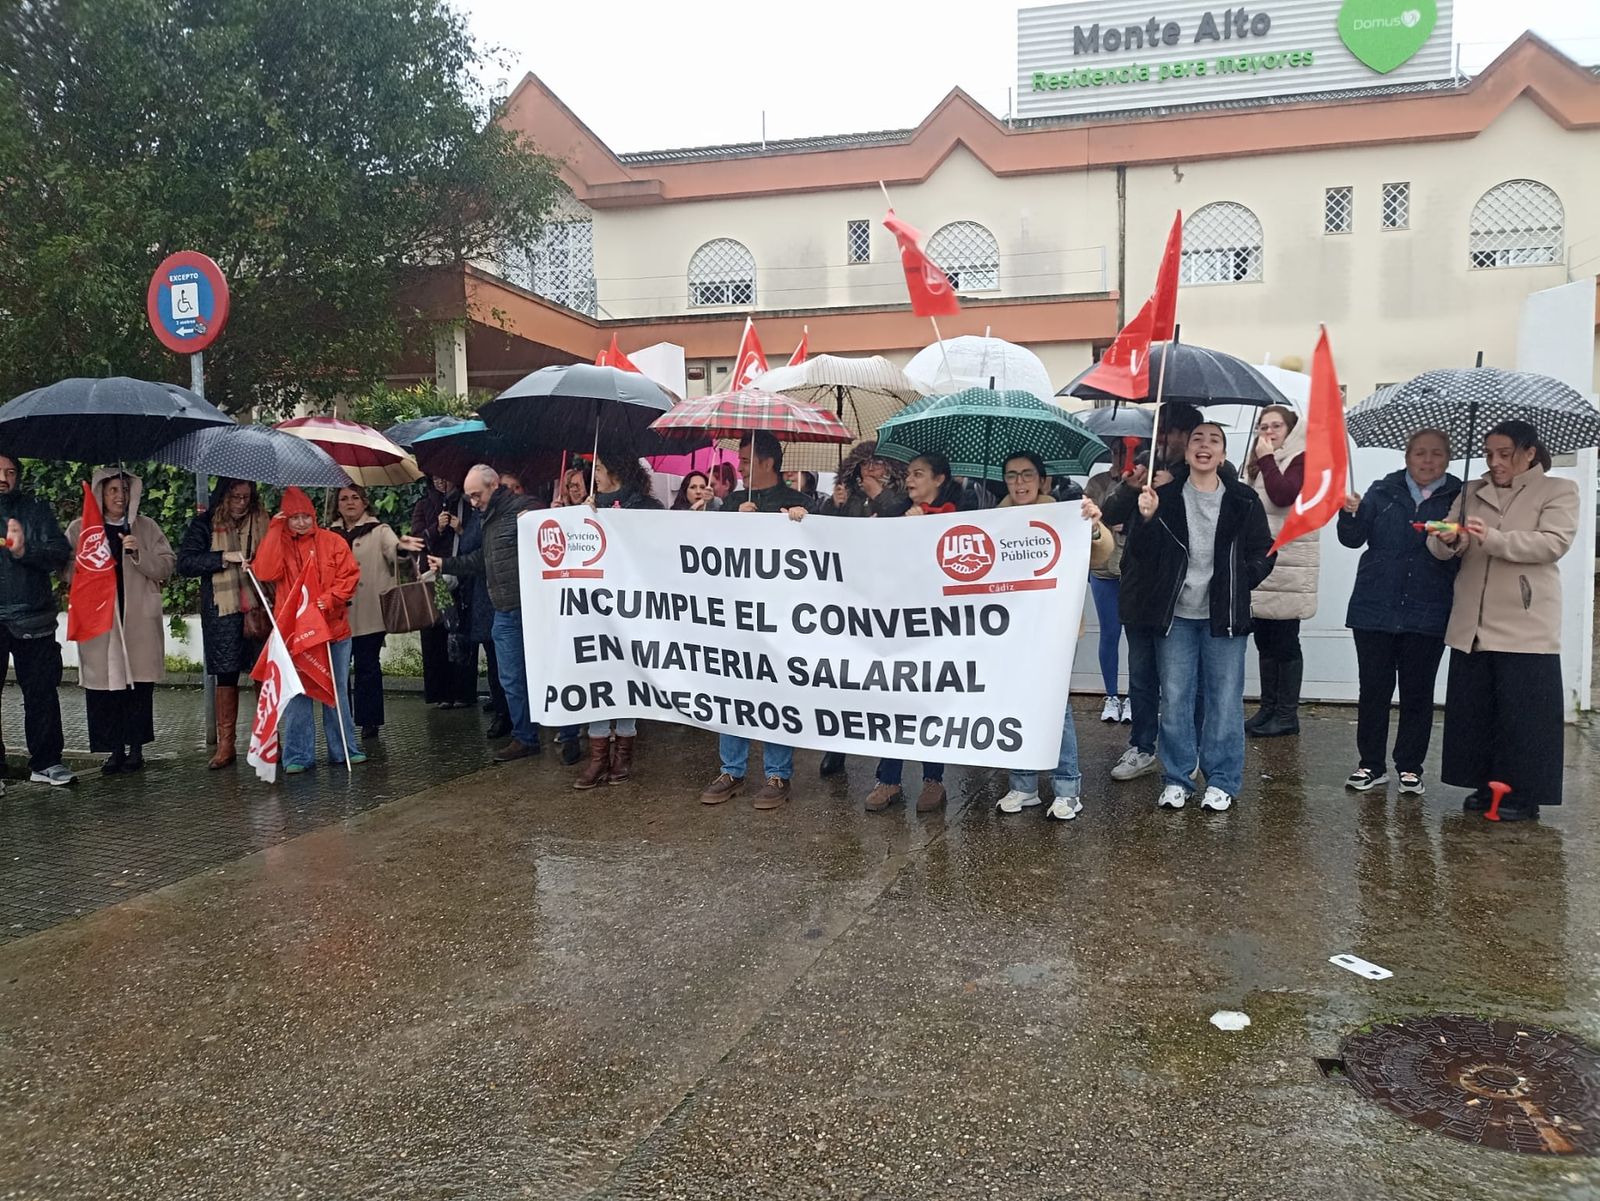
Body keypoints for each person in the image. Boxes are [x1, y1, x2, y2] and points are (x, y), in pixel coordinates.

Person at [1429, 420, 1577, 821]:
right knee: (1477, 710)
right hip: (1472, 618)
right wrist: (1448, 539)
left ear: (1529, 453)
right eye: (1489, 453)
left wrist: (1492, 537)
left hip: (1523, 620)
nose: (1495, 462)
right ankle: (1482, 784)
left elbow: (1553, 542)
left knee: (1522, 714)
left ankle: (1521, 793)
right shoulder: (1471, 491)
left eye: (1505, 454)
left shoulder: (1559, 490)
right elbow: (1448, 542)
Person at [1123, 422, 1275, 812]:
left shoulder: (1243, 499)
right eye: (1197, 439)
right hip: (1176, 616)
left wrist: (1243, 580)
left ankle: (1222, 780)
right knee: (1174, 698)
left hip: (1224, 615)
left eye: (1214, 440)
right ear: (1187, 451)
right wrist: (1145, 519)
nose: (1204, 446)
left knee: (1224, 700)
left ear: (1223, 454)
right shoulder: (1164, 496)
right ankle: (1177, 778)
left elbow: (1265, 551)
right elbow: (1142, 556)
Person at [1337, 429, 1461, 795]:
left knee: (1417, 693)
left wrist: (1455, 535)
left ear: (1447, 459)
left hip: (1429, 608)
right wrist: (1350, 514)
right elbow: (1353, 539)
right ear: (1407, 456)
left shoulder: (1458, 497)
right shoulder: (1381, 490)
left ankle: (1410, 766)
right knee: (1373, 690)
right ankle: (1370, 765)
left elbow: (1465, 550)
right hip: (1374, 607)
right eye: (1420, 453)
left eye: (1436, 454)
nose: (1427, 460)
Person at [993, 452, 1114, 820]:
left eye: (1027, 475)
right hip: (1009, 633)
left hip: (1055, 630)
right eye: (1012, 475)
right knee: (1017, 706)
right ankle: (1023, 785)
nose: (1020, 482)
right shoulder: (993, 521)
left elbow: (1102, 552)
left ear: (1042, 481)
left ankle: (1067, 788)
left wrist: (1092, 525)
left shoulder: (1064, 515)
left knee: (1055, 709)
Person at [1099, 403, 1209, 787]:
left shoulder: (1205, 473)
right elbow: (1109, 512)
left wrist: (1173, 488)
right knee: (1143, 676)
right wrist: (1132, 488)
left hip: (1180, 594)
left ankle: (1188, 750)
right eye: (1161, 431)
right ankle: (1143, 746)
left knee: (1183, 681)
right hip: (1139, 588)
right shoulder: (1143, 467)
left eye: (1175, 433)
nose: (1166, 440)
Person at [699, 432, 810, 810]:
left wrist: (801, 524)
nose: (741, 467)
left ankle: (778, 774)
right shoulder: (733, 502)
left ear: (767, 462)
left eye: (746, 460)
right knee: (733, 691)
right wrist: (732, 518)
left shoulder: (799, 503)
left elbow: (821, 554)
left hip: (781, 622)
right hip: (736, 618)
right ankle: (732, 769)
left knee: (776, 694)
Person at [412, 464, 543, 762]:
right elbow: (480, 558)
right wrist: (446, 565)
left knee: (539, 672)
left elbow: (550, 534)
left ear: (494, 486)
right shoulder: (486, 517)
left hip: (532, 608)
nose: (472, 502)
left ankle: (566, 733)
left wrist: (544, 515)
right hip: (503, 609)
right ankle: (524, 737)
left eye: (476, 495)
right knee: (510, 677)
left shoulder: (526, 508)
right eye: (470, 496)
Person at [864, 452, 965, 813]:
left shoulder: (958, 515)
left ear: (939, 479)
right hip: (897, 624)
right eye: (908, 474)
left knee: (928, 702)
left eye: (919, 474)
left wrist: (926, 528)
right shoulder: (896, 512)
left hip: (937, 627)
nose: (910, 481)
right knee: (893, 701)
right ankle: (888, 779)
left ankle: (933, 779)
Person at [63, 470, 173, 774]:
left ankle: (136, 748)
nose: (119, 496)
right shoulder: (81, 529)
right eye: (112, 490)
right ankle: (113, 749)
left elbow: (166, 566)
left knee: (138, 686)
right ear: (100, 492)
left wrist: (138, 553)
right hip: (101, 618)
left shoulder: (146, 527)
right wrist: (88, 564)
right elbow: (65, 569)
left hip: (136, 616)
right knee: (106, 687)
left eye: (124, 489)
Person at [252, 487, 363, 772]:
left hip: (333, 630)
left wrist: (327, 601)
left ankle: (345, 750)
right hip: (293, 634)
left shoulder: (333, 541)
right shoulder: (280, 541)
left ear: (314, 515)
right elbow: (264, 571)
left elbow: (349, 576)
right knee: (298, 693)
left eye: (306, 516)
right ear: (285, 518)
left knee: (335, 690)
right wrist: (275, 530)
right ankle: (298, 757)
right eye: (294, 517)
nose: (301, 522)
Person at [574, 450, 665, 788]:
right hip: (594, 607)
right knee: (598, 675)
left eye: (597, 467)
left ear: (615, 469)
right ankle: (598, 757)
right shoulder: (587, 505)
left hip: (631, 607)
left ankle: (623, 753)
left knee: (625, 677)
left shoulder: (646, 506)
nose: (592, 474)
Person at [178, 477, 270, 771]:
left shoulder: (263, 521)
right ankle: (226, 744)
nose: (241, 503)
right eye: (235, 497)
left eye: (246, 497)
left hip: (260, 605)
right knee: (226, 674)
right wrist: (223, 558)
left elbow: (278, 556)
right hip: (223, 609)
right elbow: (186, 563)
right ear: (223, 496)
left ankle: (268, 739)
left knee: (263, 673)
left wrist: (260, 561)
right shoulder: (204, 524)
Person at [1243, 404, 1318, 738]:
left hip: (1290, 561)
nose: (1269, 432)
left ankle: (1287, 714)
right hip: (1265, 559)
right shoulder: (1260, 460)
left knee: (1286, 641)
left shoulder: (1301, 458)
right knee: (1265, 639)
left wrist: (1267, 459)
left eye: (1276, 426)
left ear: (1291, 430)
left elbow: (1284, 494)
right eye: (1264, 426)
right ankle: (1268, 708)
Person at [330, 486, 399, 741]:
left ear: (364, 503)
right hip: (337, 615)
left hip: (369, 613)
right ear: (337, 504)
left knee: (367, 667)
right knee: (338, 670)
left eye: (355, 498)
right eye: (344, 498)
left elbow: (396, 552)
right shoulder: (329, 534)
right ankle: (342, 719)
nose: (350, 503)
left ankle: (369, 722)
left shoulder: (380, 531)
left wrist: (403, 551)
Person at [1084, 439, 1141, 724]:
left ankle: (1133, 696)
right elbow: (1089, 518)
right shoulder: (1098, 482)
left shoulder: (1143, 480)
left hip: (1133, 570)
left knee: (1135, 637)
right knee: (1109, 633)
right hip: (1104, 570)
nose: (1122, 457)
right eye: (1117, 451)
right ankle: (1111, 695)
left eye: (1127, 451)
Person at [409, 474, 474, 708]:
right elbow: (416, 539)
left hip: (460, 577)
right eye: (435, 477)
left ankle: (463, 692)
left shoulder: (465, 504)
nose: (440, 481)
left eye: (443, 477)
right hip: (434, 579)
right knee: (435, 633)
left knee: (458, 632)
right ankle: (440, 693)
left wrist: (460, 528)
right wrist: (436, 527)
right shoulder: (424, 505)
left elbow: (474, 540)